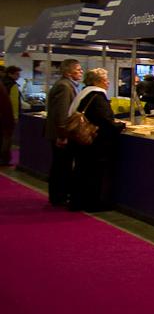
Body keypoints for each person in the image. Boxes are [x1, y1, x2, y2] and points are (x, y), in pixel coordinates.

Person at [68, 69, 124, 212]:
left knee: (81, 170)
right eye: (106, 79)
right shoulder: (98, 97)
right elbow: (105, 121)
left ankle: (77, 200)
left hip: (82, 140)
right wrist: (120, 126)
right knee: (94, 173)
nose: (108, 82)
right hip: (95, 142)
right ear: (98, 81)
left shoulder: (84, 93)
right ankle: (92, 203)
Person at [45, 58, 82, 206]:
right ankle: (59, 196)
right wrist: (62, 135)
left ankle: (59, 195)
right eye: (78, 70)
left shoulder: (66, 85)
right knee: (61, 166)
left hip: (60, 133)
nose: (81, 72)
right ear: (68, 72)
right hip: (61, 134)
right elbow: (62, 113)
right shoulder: (65, 87)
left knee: (61, 165)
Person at [1, 65, 20, 166]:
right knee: (7, 138)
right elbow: (14, 102)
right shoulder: (13, 85)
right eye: (17, 74)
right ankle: (4, 159)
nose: (18, 76)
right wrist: (15, 116)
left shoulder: (2, 83)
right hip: (7, 116)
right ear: (10, 74)